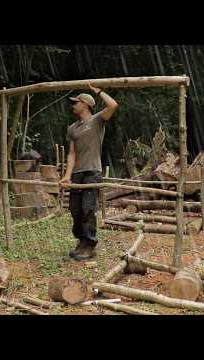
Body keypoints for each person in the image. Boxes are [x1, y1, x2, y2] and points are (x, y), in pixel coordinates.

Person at [59, 83, 119, 261]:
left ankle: (90, 245)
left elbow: (113, 105)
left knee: (87, 209)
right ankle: (81, 242)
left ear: (85, 104)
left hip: (92, 171)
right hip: (77, 173)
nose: (73, 105)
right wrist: (67, 176)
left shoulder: (97, 120)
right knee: (75, 209)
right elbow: (72, 154)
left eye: (76, 102)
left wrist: (98, 91)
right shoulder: (72, 128)